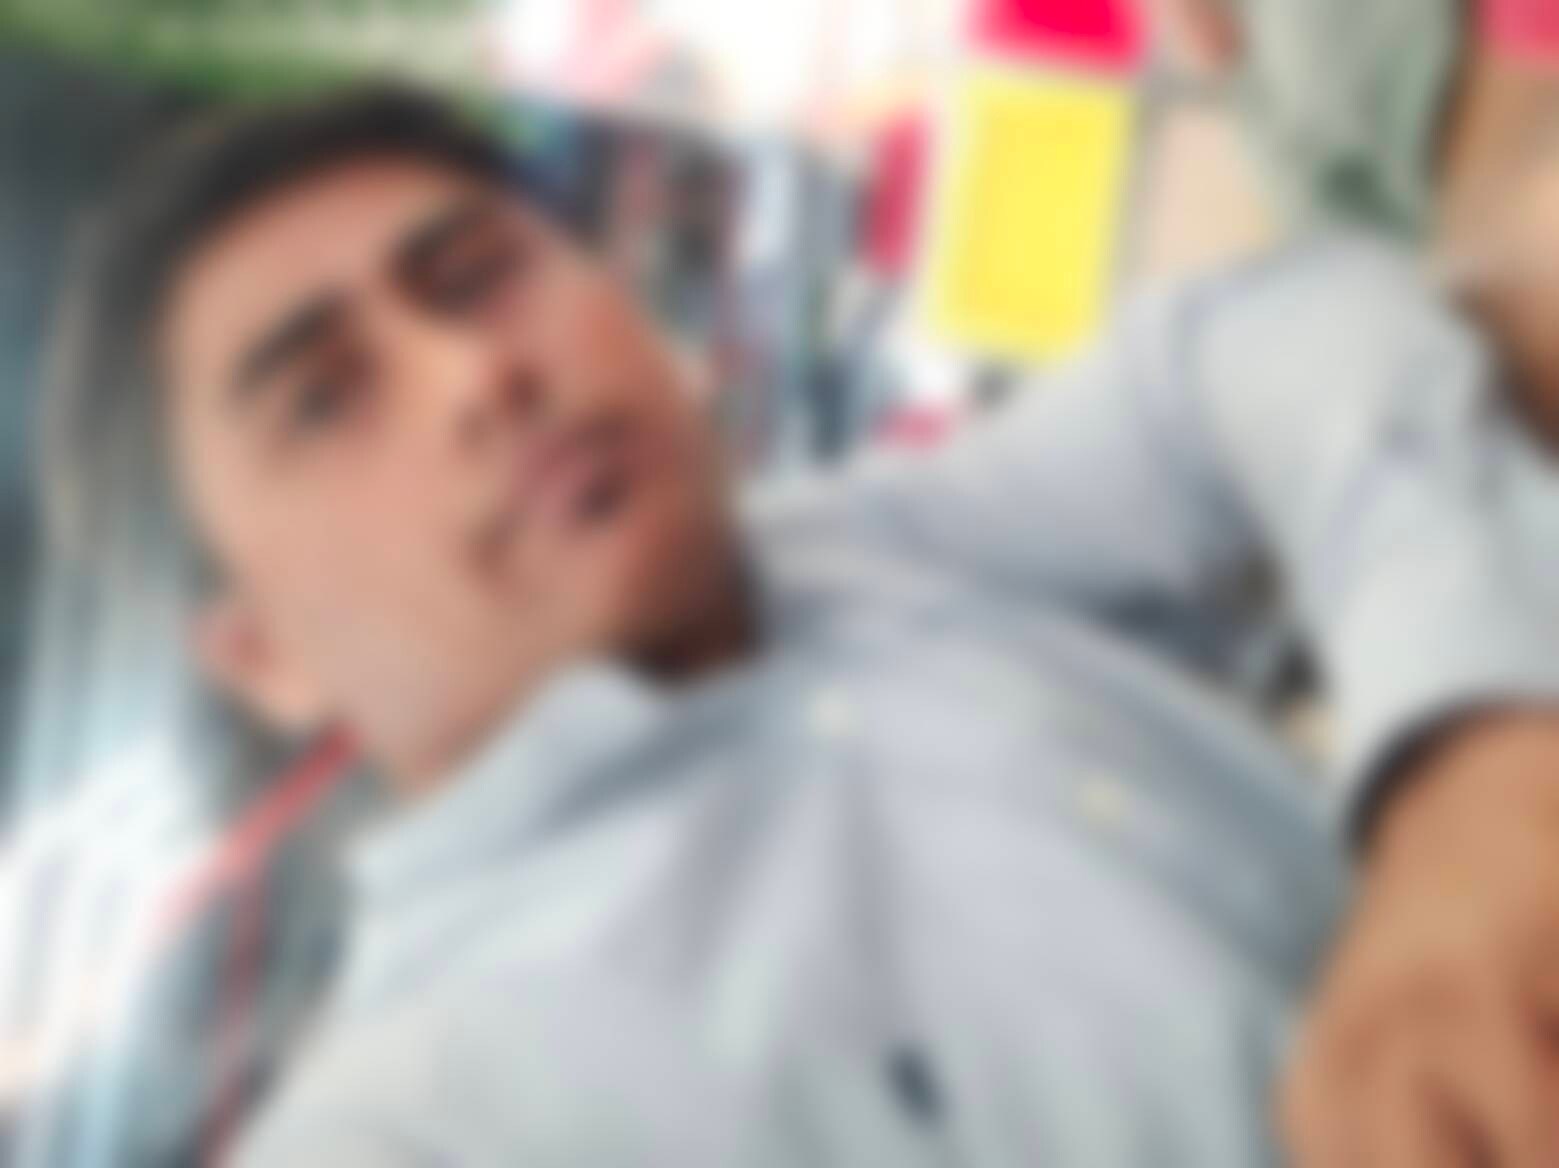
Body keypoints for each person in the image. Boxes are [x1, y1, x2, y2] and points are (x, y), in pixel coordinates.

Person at [49, 87, 1559, 1167]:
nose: (472, 377)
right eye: (325, 400)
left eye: (479, 275)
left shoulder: (855, 549)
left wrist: (1472, 766)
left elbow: (1271, 338)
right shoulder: (431, 1112)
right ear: (261, 655)